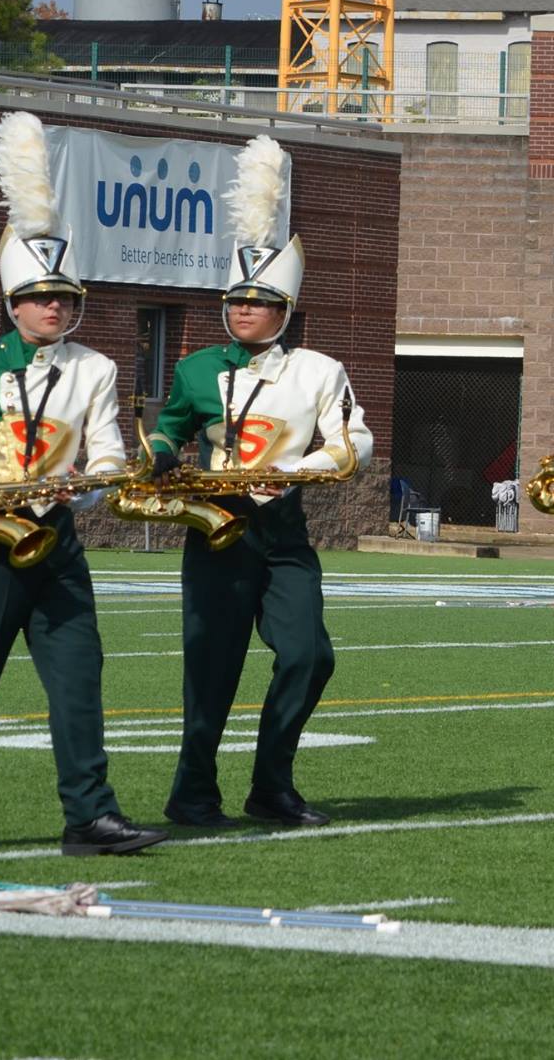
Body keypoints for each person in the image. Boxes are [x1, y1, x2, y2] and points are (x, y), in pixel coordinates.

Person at [0, 111, 166, 856]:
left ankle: (89, 817)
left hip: (56, 544)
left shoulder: (96, 368)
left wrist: (84, 489)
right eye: (41, 295)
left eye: (65, 296)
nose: (55, 306)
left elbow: (109, 455)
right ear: (14, 302)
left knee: (79, 679)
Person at [151, 136, 373, 830]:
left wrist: (293, 470)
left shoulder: (319, 370)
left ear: (286, 308)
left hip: (281, 535)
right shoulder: (194, 368)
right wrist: (161, 456)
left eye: (260, 300)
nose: (244, 310)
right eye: (236, 300)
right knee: (210, 672)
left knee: (309, 656)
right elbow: (169, 428)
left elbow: (354, 442)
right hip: (215, 534)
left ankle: (272, 784)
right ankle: (193, 794)